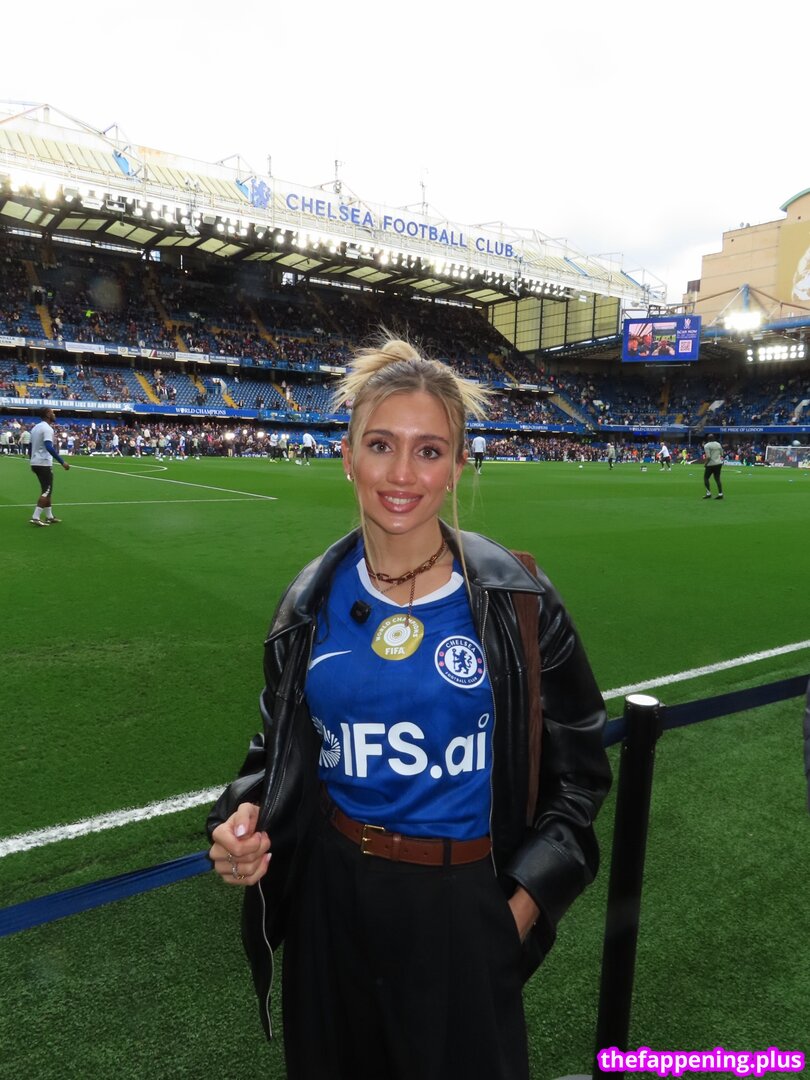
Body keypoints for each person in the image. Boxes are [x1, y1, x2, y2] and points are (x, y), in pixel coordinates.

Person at [207, 337, 611, 1080]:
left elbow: (580, 775)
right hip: (330, 900)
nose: (401, 474)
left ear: (457, 466)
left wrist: (520, 906)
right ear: (347, 457)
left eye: (429, 451)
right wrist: (240, 820)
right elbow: (276, 753)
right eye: (380, 445)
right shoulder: (307, 603)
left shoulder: (517, 601)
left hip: (462, 905)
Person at [28, 407, 69, 527]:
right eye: (52, 412)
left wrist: (32, 460)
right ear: (47, 414)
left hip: (36, 462)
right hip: (44, 463)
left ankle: (49, 516)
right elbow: (49, 446)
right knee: (47, 490)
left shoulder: (35, 428)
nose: (54, 414)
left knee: (46, 490)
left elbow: (30, 447)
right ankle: (35, 517)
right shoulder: (47, 428)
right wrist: (62, 462)